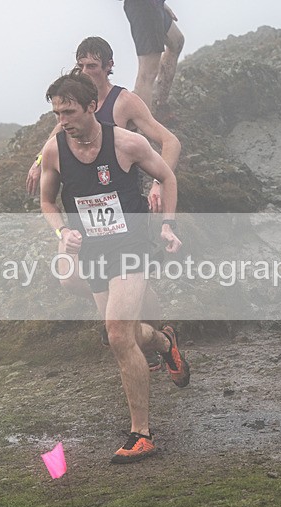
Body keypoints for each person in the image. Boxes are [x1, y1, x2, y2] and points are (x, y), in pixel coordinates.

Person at [39, 72, 190, 464]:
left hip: (132, 243)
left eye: (69, 111)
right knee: (127, 333)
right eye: (57, 112)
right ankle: (165, 343)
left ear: (92, 106)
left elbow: (167, 175)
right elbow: (48, 202)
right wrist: (63, 233)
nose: (63, 119)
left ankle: (142, 434)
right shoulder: (55, 151)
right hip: (94, 249)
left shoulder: (126, 143)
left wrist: (168, 225)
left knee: (117, 333)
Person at [27, 37, 180, 366]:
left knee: (126, 285)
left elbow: (169, 142)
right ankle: (131, 319)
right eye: (81, 65)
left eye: (92, 66)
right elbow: (56, 138)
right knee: (69, 277)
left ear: (108, 66)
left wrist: (156, 184)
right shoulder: (74, 102)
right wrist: (39, 162)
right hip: (86, 213)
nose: (86, 71)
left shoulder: (123, 101)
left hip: (124, 205)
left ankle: (151, 334)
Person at [122, 0, 184, 115]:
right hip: (144, 9)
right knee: (147, 73)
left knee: (177, 41)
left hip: (154, 6)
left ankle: (161, 104)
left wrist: (162, 4)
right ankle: (141, 127)